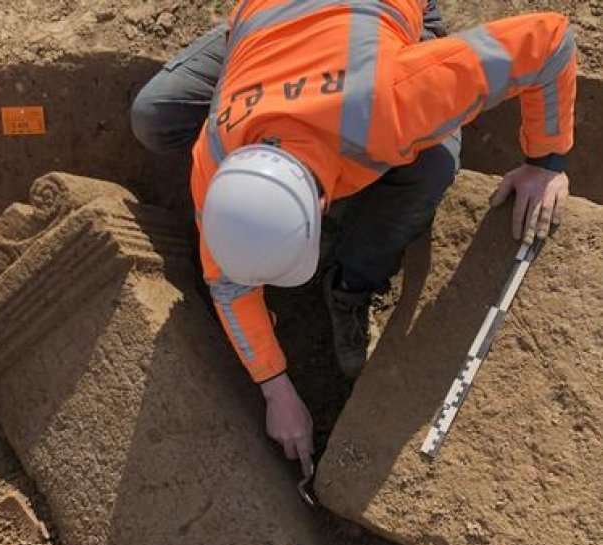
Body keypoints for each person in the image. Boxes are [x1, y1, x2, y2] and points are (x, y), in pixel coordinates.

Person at [130, 0, 576, 476]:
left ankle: (353, 287)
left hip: (381, 26)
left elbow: (550, 40)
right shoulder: (215, 151)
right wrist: (276, 389)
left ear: (324, 207)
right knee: (154, 114)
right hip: (271, 19)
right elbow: (228, 285)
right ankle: (254, 47)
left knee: (433, 167)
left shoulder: (397, 100)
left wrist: (544, 162)